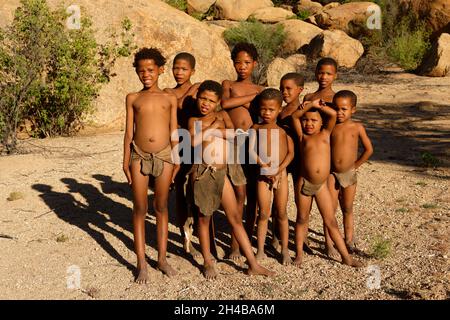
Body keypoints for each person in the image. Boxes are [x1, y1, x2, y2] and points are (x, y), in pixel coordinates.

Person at [188, 80, 274, 279]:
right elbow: (193, 141)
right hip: (202, 173)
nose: (205, 104)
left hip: (222, 173)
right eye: (202, 98)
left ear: (218, 102)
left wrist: (216, 129)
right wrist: (213, 129)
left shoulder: (223, 115)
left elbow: (238, 135)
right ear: (197, 97)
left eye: (210, 100)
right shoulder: (194, 121)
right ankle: (208, 261)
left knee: (235, 217)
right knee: (204, 219)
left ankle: (252, 263)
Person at [123, 47, 179, 283]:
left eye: (150, 70)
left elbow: (174, 130)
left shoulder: (169, 98)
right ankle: (141, 262)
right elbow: (129, 132)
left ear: (160, 70)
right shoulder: (133, 98)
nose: (146, 74)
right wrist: (125, 160)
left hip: (165, 155)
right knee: (139, 207)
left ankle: (163, 259)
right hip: (139, 155)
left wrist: (177, 158)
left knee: (162, 206)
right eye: (141, 71)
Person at [291, 99, 363, 268]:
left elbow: (331, 114)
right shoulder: (302, 137)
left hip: (322, 185)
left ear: (321, 122)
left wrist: (317, 105)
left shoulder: (325, 134)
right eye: (306, 120)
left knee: (330, 220)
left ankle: (345, 257)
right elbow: (295, 116)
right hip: (304, 183)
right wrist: (308, 106)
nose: (309, 124)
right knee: (302, 218)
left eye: (314, 120)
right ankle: (299, 254)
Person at [222, 42, 264, 248]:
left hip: (254, 143)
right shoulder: (228, 84)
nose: (242, 67)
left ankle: (248, 234)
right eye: (238, 62)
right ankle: (235, 243)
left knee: (254, 194)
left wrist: (249, 99)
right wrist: (252, 99)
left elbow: (264, 112)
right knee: (238, 192)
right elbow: (225, 104)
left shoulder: (261, 89)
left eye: (247, 63)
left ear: (255, 64)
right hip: (234, 142)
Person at [249, 88, 294, 265]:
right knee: (263, 213)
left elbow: (290, 153)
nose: (266, 113)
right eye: (263, 109)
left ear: (279, 109)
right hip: (263, 175)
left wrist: (279, 169)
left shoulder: (284, 131)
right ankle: (260, 249)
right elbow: (251, 151)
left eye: (271, 109)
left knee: (281, 213)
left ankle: (284, 250)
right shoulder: (256, 128)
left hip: (280, 175)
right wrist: (265, 166)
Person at [164, 52, 200, 257]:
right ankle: (185, 239)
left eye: (184, 69)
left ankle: (202, 236)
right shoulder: (169, 91)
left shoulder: (199, 91)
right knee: (180, 191)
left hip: (196, 143)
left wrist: (196, 90)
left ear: (192, 71)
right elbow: (177, 104)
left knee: (198, 190)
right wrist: (192, 90)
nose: (179, 72)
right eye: (176, 68)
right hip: (178, 142)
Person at [328, 90, 373, 252]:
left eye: (344, 109)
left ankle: (349, 239)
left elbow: (368, 150)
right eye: (336, 108)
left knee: (347, 207)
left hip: (349, 173)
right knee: (330, 209)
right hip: (331, 173)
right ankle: (330, 241)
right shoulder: (330, 126)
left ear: (353, 109)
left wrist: (355, 166)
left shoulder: (357, 127)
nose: (339, 112)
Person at [303, 57, 339, 256]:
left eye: (328, 73)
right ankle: (304, 239)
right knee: (306, 203)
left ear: (335, 75)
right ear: (315, 73)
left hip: (330, 153)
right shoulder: (309, 96)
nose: (323, 77)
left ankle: (329, 243)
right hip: (312, 153)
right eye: (320, 72)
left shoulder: (337, 98)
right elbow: (302, 120)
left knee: (330, 204)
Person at [270, 72, 305, 251]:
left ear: (300, 90)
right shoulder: (280, 110)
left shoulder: (304, 110)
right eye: (282, 88)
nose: (284, 92)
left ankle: (301, 238)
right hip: (282, 160)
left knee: (301, 201)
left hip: (300, 160)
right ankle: (276, 235)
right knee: (279, 202)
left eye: (289, 89)